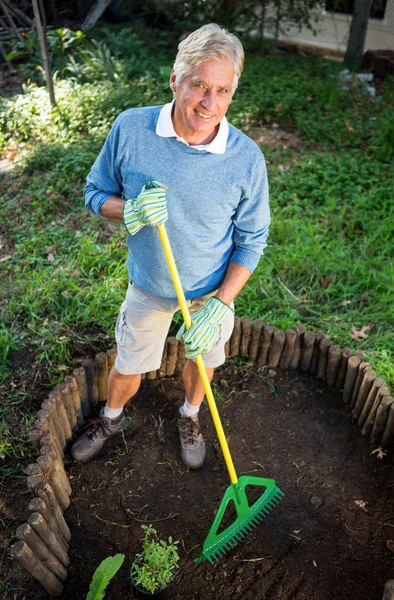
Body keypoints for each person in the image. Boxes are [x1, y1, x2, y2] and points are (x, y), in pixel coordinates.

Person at [71, 23, 270, 468]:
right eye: (199, 85)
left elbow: (253, 239)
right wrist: (129, 210)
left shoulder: (246, 158)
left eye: (221, 91)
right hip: (149, 283)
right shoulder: (132, 128)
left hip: (211, 292)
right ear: (174, 80)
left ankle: (189, 413)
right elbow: (94, 192)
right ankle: (112, 416)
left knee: (203, 362)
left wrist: (222, 303)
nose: (209, 103)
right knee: (129, 363)